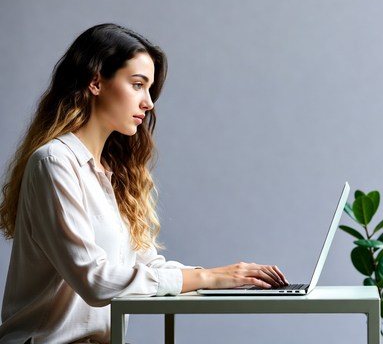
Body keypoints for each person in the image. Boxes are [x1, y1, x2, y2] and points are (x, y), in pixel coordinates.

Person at [0, 23, 288, 343]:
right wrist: (207, 277)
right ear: (95, 81)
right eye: (137, 84)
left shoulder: (114, 174)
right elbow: (96, 281)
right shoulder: (55, 162)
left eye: (149, 89)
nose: (149, 102)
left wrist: (227, 278)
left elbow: (146, 266)